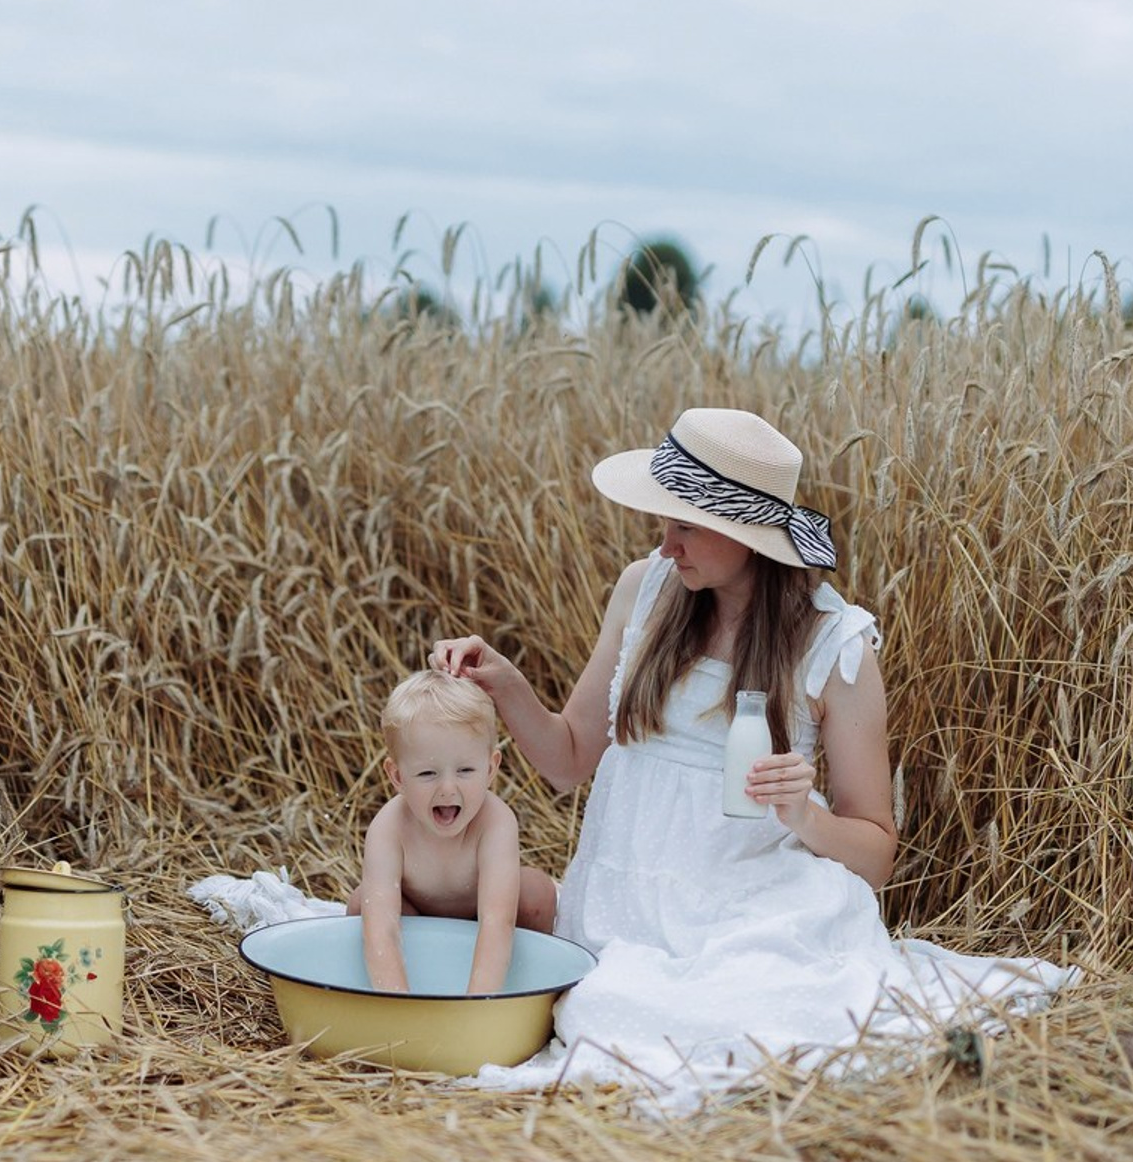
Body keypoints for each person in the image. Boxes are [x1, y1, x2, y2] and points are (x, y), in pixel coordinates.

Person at [431, 407, 1074, 1105]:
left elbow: (875, 853)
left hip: (752, 906)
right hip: (624, 908)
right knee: (612, 1001)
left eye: (684, 524)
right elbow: (569, 758)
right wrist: (505, 683)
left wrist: (803, 814)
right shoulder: (644, 591)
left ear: (747, 536)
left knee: (678, 1018)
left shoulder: (836, 644)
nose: (665, 543)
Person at [346, 670, 557, 995]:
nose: (448, 788)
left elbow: (496, 921)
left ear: (490, 768)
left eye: (465, 770)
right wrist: (399, 1005)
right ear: (397, 776)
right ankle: (397, 985)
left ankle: (534, 985)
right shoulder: (389, 826)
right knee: (363, 904)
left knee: (537, 893)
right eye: (428, 773)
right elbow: (381, 928)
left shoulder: (496, 821)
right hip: (416, 914)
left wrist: (475, 1004)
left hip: (481, 912)